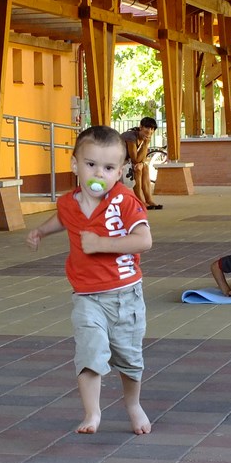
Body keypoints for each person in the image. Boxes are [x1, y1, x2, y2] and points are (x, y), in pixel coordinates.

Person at [26, 125, 153, 433]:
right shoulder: (69, 203)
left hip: (124, 296)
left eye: (108, 168)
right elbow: (63, 218)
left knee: (129, 359)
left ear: (120, 172)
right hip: (86, 297)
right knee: (89, 352)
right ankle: (92, 413)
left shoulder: (124, 201)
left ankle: (133, 404)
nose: (99, 173)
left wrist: (101, 244)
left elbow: (144, 240)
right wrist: (41, 231)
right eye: (91, 164)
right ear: (75, 165)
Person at [121, 117, 162, 210]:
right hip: (115, 163)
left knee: (145, 167)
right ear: (141, 127)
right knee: (138, 169)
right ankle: (140, 200)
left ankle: (149, 200)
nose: (149, 131)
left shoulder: (142, 137)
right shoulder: (131, 137)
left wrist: (142, 163)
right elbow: (135, 159)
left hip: (125, 162)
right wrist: (145, 144)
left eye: (152, 129)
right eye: (147, 127)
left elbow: (142, 158)